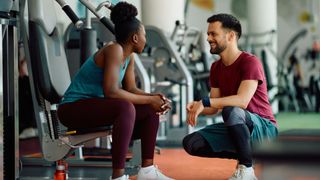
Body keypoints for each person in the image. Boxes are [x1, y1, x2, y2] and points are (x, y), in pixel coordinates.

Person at [57, 2, 173, 180]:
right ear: (135, 38)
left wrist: (155, 98)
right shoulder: (114, 50)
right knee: (125, 107)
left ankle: (147, 171)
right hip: (72, 109)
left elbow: (131, 89)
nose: (146, 39)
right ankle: (118, 176)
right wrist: (149, 99)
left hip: (94, 107)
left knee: (150, 110)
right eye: (144, 35)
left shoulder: (129, 57)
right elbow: (111, 91)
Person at [182, 13, 278, 180]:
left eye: (213, 34)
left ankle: (246, 170)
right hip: (238, 124)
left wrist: (205, 101)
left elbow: (242, 101)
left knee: (231, 111)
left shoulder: (250, 62)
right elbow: (213, 108)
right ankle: (246, 155)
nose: (208, 38)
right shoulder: (216, 67)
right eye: (208, 34)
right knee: (191, 143)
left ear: (231, 36)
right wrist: (197, 106)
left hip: (264, 129)